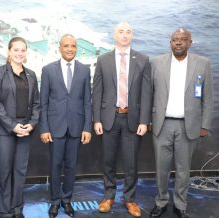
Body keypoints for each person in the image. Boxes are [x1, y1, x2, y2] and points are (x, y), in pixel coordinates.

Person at [149, 28, 213, 218]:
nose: (178, 43)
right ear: (170, 43)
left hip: (189, 126)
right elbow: (149, 94)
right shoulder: (156, 63)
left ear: (190, 43)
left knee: (183, 170)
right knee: (161, 168)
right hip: (162, 125)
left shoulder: (203, 64)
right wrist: (146, 121)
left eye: (183, 40)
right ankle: (160, 202)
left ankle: (180, 204)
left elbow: (207, 98)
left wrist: (205, 124)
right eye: (175, 40)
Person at [92, 21, 151, 217]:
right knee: (108, 161)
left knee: (131, 162)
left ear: (131, 35)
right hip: (109, 118)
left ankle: (130, 199)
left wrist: (144, 121)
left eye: (128, 32)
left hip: (132, 120)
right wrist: (97, 120)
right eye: (121, 32)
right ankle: (108, 196)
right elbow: (97, 91)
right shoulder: (103, 60)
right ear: (114, 35)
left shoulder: (142, 60)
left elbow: (146, 93)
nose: (125, 35)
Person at [39, 34, 92, 218]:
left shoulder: (84, 70)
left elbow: (87, 102)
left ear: (76, 48)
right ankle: (55, 201)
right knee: (55, 165)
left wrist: (87, 127)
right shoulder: (48, 70)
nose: (70, 49)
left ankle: (67, 200)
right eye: (66, 46)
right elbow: (43, 102)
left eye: (73, 46)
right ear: (59, 48)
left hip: (77, 127)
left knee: (71, 165)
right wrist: (44, 128)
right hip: (55, 128)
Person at [0, 37, 40, 218]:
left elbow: (37, 104)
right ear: (9, 51)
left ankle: (17, 208)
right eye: (16, 50)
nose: (19, 53)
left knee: (20, 170)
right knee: (5, 170)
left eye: (22, 50)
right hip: (4, 130)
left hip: (25, 129)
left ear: (26, 53)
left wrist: (31, 125)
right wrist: (12, 126)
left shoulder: (31, 75)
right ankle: (4, 210)